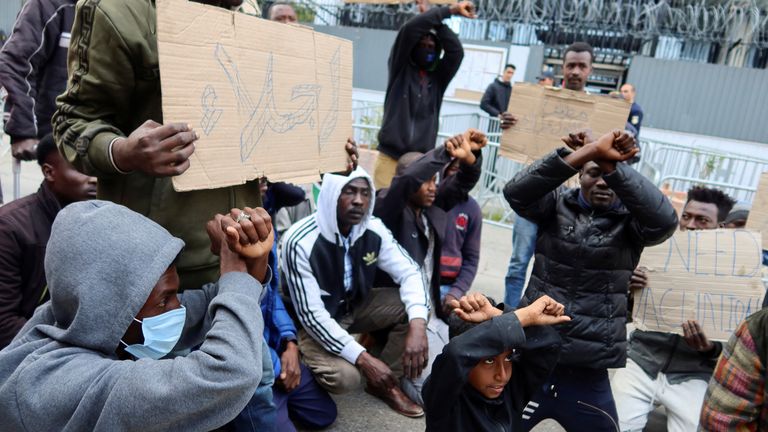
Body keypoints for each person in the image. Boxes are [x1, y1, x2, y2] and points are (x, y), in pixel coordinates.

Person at [0, 201, 273, 431]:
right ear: (110, 304)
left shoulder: (73, 316)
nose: (177, 308)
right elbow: (229, 373)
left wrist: (252, 263)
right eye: (165, 299)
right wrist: (235, 273)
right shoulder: (60, 385)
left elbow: (199, 308)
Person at [52, 0, 262, 291]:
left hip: (245, 253)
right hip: (157, 272)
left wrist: (322, 146)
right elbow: (73, 122)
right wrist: (123, 152)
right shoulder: (119, 11)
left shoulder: (250, 12)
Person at [503, 129, 678, 430]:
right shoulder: (554, 206)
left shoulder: (631, 223)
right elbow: (515, 192)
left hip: (588, 368)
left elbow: (665, 222)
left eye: (610, 175)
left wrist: (612, 165)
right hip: (533, 354)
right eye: (593, 172)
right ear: (579, 175)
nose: (602, 182)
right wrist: (585, 152)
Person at [282, 167, 430, 417]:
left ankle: (385, 383)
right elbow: (312, 316)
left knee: (412, 308)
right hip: (309, 324)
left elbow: (410, 272)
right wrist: (363, 359)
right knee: (346, 378)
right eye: (349, 192)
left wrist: (418, 324)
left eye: (365, 193)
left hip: (352, 307)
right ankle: (301, 359)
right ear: (330, 195)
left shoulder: (372, 228)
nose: (359, 200)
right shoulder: (298, 241)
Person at [374, 129, 485, 406]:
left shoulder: (431, 208)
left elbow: (464, 181)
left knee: (462, 374)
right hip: (403, 310)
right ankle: (387, 376)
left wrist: (471, 156)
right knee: (434, 396)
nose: (433, 186)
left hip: (432, 313)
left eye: (435, 180)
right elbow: (408, 179)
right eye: (426, 180)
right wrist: (444, 152)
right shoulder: (387, 208)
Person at [612, 186, 737, 432]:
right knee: (611, 426)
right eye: (687, 217)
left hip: (693, 373)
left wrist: (710, 349)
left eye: (702, 220)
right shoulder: (654, 252)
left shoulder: (737, 276)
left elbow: (736, 344)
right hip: (641, 360)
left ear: (720, 228)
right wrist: (629, 292)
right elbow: (620, 315)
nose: (691, 225)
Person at [502, 42, 596, 307]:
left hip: (572, 201)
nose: (575, 71)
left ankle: (544, 319)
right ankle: (508, 321)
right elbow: (518, 134)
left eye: (582, 66)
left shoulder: (602, 113)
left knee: (560, 267)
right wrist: (511, 125)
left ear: (590, 70)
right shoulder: (537, 102)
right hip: (536, 196)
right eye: (571, 65)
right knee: (519, 262)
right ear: (562, 68)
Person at [0, 134, 96, 349]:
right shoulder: (10, 228)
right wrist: (65, 355)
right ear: (49, 172)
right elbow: (4, 323)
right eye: (82, 169)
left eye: (98, 170)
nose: (94, 178)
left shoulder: (105, 220)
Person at [423, 292, 567, 432]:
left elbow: (549, 346)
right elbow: (457, 352)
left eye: (508, 357)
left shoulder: (512, 390)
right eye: (489, 360)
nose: (502, 375)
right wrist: (525, 316)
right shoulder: (443, 396)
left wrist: (497, 314)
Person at [373, 1, 476, 189]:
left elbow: (456, 51)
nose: (427, 47)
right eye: (422, 43)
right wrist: (449, 11)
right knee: (384, 212)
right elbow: (410, 29)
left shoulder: (437, 80)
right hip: (390, 159)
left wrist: (436, 22)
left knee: (413, 215)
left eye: (432, 45)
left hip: (420, 162)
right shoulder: (400, 70)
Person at [0, 0, 75, 163]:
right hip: (54, 139)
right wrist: (23, 129)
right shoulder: (47, 5)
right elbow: (16, 63)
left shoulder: (115, 10)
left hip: (105, 137)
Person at [699, 307, 768, 431]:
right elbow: (724, 420)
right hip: (654, 367)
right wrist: (712, 349)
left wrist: (714, 348)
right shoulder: (760, 328)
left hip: (693, 375)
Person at [439, 158, 482, 312]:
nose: (458, 176)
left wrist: (456, 292)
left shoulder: (473, 209)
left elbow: (471, 259)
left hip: (450, 287)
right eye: (454, 169)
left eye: (462, 172)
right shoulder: (430, 200)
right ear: (444, 170)